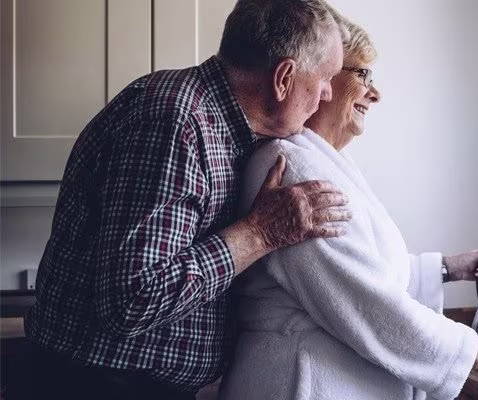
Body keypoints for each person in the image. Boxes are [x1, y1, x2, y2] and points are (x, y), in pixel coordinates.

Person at [21, 1, 354, 399]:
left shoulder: (221, 124)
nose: (328, 93)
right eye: (326, 77)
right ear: (283, 78)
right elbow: (133, 299)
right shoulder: (176, 122)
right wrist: (260, 233)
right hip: (94, 386)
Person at [218, 10, 478, 400]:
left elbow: (364, 272)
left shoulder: (327, 162)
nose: (374, 92)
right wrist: (473, 353)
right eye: (361, 73)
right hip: (301, 384)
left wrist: (447, 268)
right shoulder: (295, 170)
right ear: (324, 76)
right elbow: (362, 302)